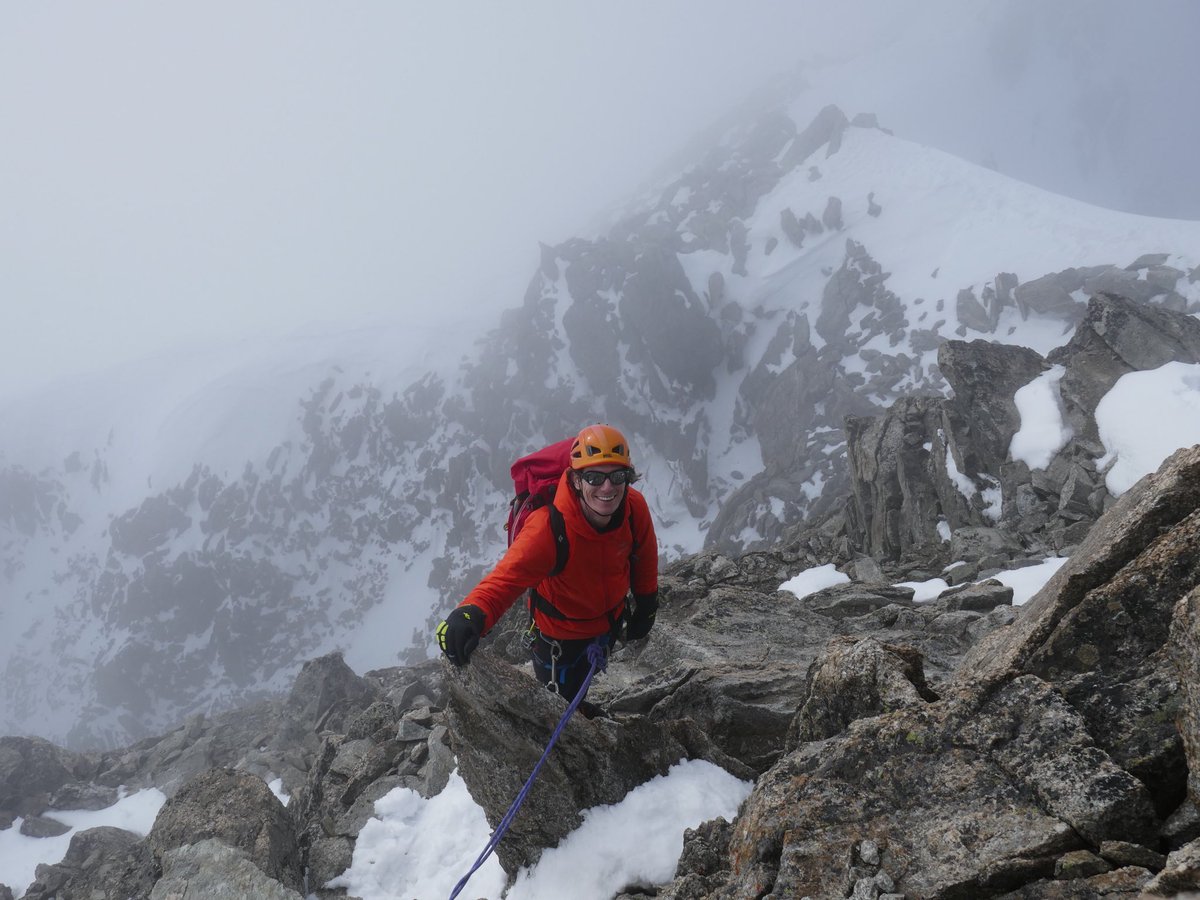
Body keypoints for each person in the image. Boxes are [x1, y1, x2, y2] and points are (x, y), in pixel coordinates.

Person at [436, 424, 659, 703]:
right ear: (576, 480)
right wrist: (469, 614)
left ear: (628, 477)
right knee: (559, 706)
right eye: (593, 477)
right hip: (559, 641)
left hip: (607, 626)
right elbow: (506, 579)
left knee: (579, 692)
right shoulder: (549, 527)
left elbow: (646, 556)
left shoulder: (634, 508)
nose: (607, 487)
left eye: (617, 476)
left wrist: (647, 603)